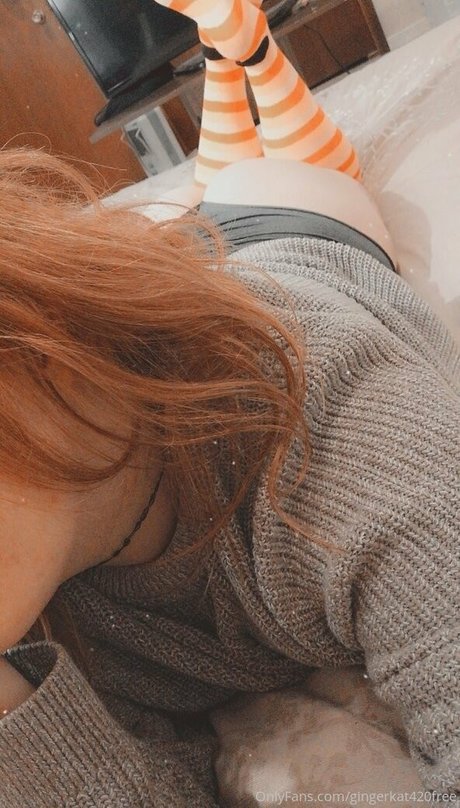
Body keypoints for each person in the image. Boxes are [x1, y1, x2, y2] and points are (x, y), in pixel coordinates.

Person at [0, 0, 458, 805]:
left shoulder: (352, 441)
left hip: (293, 240)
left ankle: (234, 37)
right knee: (201, 198)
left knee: (274, 163)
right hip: (173, 275)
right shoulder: (34, 602)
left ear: (38, 350)